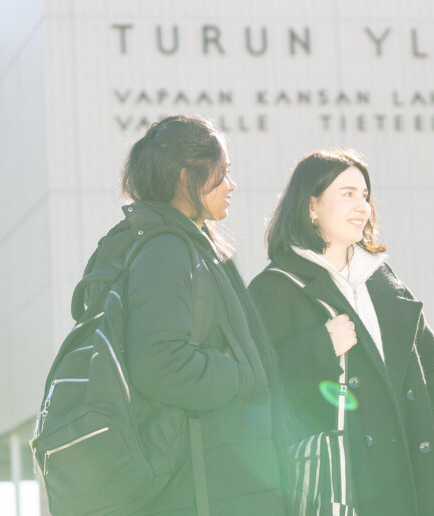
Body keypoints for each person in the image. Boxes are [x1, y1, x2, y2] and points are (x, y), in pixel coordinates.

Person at [248, 149, 434, 516]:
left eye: (365, 195)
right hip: (338, 488)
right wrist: (319, 348)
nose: (362, 206)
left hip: (411, 482)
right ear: (312, 205)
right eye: (347, 193)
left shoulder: (383, 280)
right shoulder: (275, 288)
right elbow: (256, 388)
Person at [112, 114, 287, 514]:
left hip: (220, 480)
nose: (232, 185)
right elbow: (160, 363)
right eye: (222, 173)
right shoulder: (167, 251)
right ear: (185, 176)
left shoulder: (195, 246)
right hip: (202, 490)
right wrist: (243, 371)